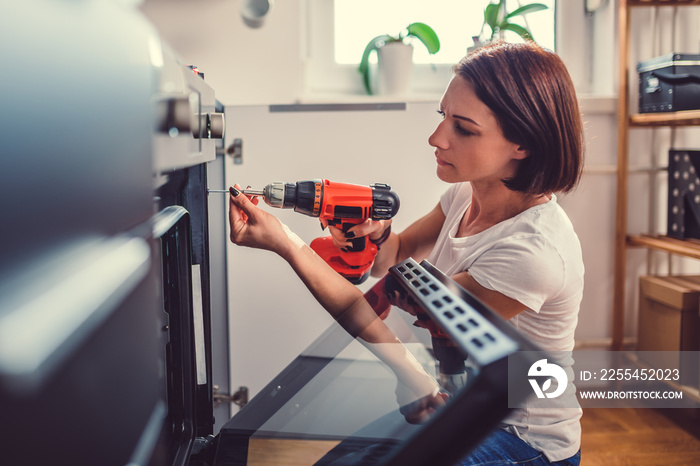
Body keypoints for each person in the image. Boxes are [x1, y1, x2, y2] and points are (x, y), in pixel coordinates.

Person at [228, 40, 584, 466]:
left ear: (522, 142)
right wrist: (376, 233)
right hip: (456, 402)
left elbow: (380, 318)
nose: (437, 138)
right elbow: (388, 259)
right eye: (443, 118)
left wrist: (285, 242)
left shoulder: (531, 253)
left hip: (521, 440)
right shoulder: (463, 196)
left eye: (463, 128)